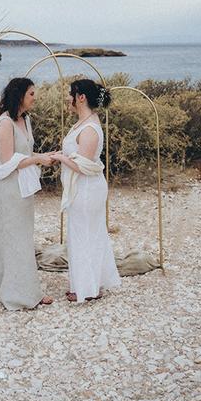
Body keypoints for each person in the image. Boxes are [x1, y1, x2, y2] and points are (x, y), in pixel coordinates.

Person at [0, 77, 54, 310]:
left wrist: (45, 156)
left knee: (22, 236)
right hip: (9, 189)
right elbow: (8, 161)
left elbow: (25, 152)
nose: (35, 98)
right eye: (32, 93)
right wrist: (38, 160)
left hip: (23, 187)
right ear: (20, 95)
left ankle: (7, 285)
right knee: (14, 237)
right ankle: (20, 294)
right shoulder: (5, 123)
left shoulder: (25, 120)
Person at [50, 79, 121, 302]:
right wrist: (62, 154)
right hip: (80, 188)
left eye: (71, 94)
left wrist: (61, 157)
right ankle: (84, 283)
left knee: (86, 235)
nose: (67, 98)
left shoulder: (90, 128)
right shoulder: (82, 123)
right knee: (80, 234)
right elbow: (77, 153)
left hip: (88, 189)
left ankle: (89, 288)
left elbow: (84, 165)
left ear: (81, 98)